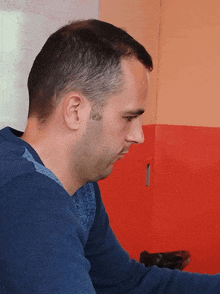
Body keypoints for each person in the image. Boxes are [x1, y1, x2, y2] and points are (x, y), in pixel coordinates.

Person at [0, 19, 219, 294]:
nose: (138, 136)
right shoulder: (25, 192)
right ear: (75, 110)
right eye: (129, 117)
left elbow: (124, 282)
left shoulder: (79, 186)